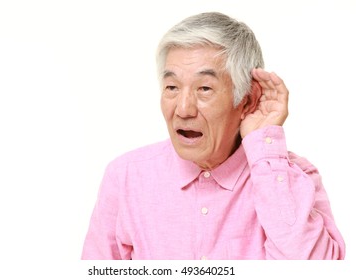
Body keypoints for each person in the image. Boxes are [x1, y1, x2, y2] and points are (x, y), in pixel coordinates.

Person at [81, 12, 345, 260]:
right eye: (171, 87)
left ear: (248, 99)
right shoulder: (125, 177)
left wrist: (265, 149)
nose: (183, 109)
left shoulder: (292, 177)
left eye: (204, 88)